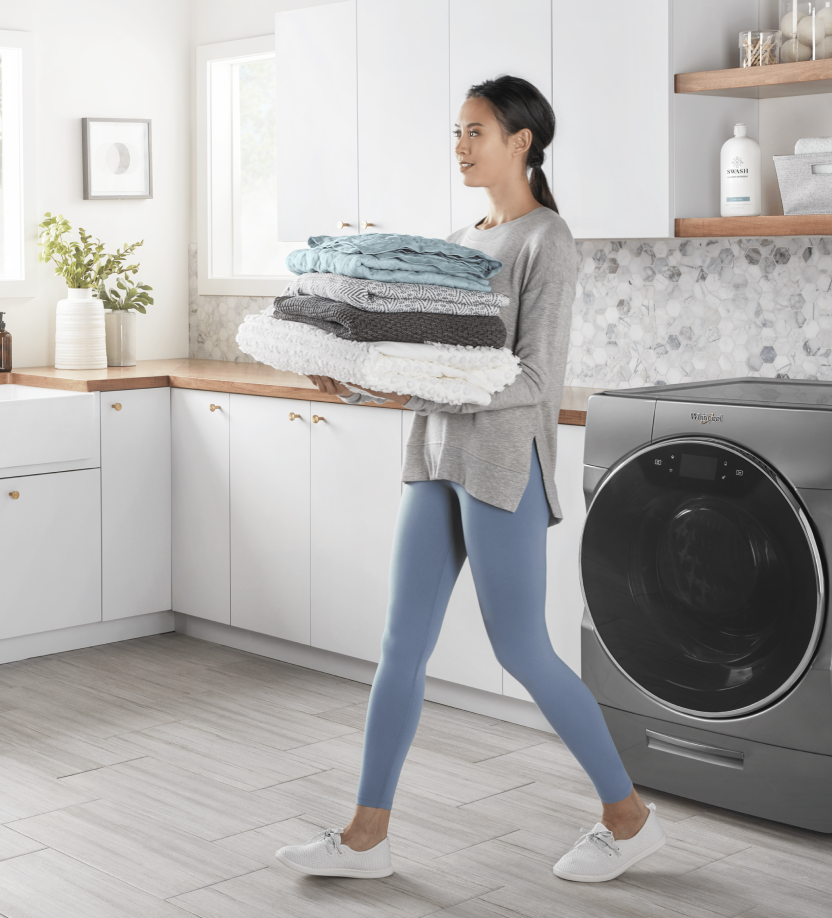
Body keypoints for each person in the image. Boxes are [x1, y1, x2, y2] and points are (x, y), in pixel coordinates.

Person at [274, 76, 665, 884]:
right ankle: (366, 836)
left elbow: (533, 380)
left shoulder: (545, 241)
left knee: (522, 650)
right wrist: (351, 381)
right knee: (399, 648)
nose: (459, 146)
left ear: (521, 140)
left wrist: (415, 388)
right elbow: (429, 361)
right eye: (455, 132)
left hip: (498, 466)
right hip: (434, 457)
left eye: (474, 131)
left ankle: (628, 820)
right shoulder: (460, 239)